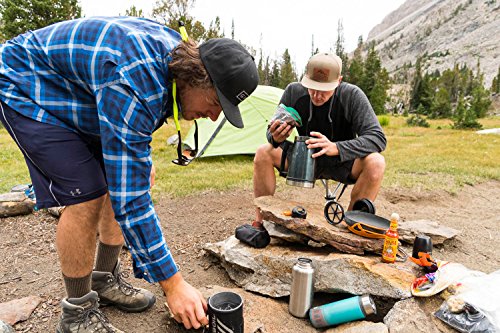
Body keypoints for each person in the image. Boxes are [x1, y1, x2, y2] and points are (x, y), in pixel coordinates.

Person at [0, 16, 258, 332]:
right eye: (217, 103)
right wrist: (173, 284)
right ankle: (77, 314)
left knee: (125, 178)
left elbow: (129, 169)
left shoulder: (171, 69)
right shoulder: (135, 78)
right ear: (196, 78)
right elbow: (131, 200)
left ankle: (104, 278)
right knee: (87, 193)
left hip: (82, 93)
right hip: (26, 84)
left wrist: (139, 165)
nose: (215, 115)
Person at [236, 52, 386, 248]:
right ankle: (261, 224)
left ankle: (351, 229)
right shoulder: (294, 91)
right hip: (303, 158)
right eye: (312, 88)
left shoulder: (352, 95)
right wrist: (276, 136)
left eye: (324, 90)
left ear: (339, 81)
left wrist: (337, 147)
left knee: (376, 162)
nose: (316, 95)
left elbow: (377, 138)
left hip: (343, 161)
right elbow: (271, 134)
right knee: (263, 152)